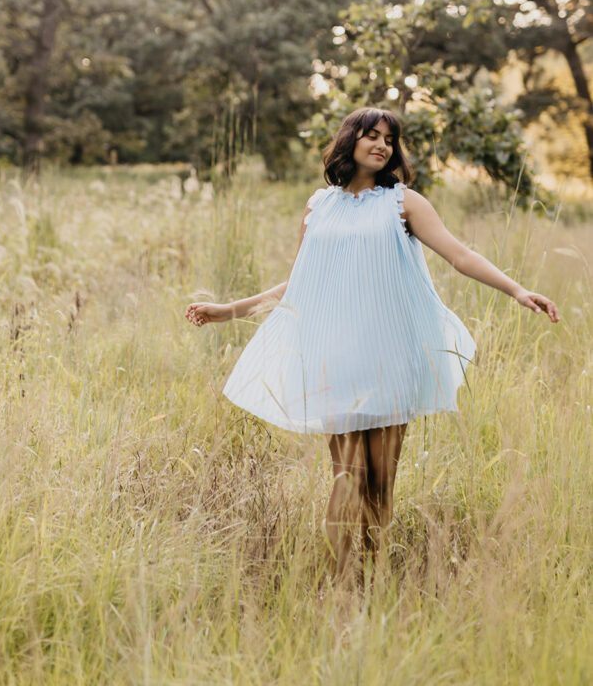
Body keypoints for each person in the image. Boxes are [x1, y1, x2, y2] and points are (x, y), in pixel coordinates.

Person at [185, 107, 559, 581]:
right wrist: (227, 310)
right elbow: (296, 285)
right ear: (350, 141)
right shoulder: (319, 205)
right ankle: (344, 585)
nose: (382, 145)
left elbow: (460, 254)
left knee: (381, 484)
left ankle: (373, 576)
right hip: (336, 357)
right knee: (347, 477)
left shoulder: (404, 203)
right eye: (372, 136)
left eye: (389, 139)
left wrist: (517, 290)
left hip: (391, 356)